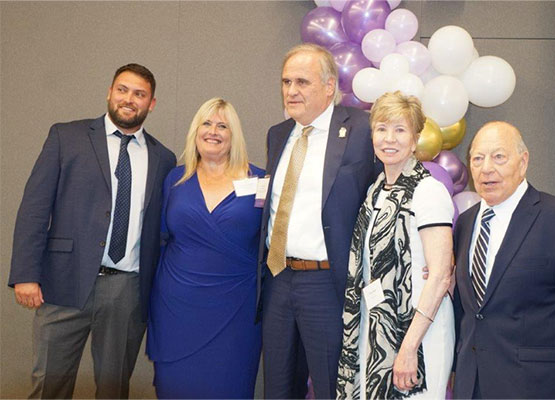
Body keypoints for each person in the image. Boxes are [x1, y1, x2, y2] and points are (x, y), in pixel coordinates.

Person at [8, 63, 176, 399]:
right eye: (122, 90)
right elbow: (34, 209)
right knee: (49, 386)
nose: (129, 99)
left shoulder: (164, 159)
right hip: (63, 283)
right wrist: (25, 274)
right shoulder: (66, 137)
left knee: (113, 389)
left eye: (139, 94)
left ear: (151, 103)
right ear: (110, 92)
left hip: (126, 291)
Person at [257, 43, 378, 399]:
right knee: (278, 387)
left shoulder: (362, 129)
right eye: (286, 82)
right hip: (278, 278)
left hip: (327, 283)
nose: (291, 91)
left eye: (302, 82)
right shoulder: (278, 134)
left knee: (330, 387)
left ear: (329, 86)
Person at [453, 121, 555, 399]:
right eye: (477, 158)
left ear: (523, 161)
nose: (486, 169)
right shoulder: (466, 223)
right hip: (472, 385)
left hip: (537, 386)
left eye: (499, 157)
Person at [337, 91, 455, 399]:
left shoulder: (428, 191)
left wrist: (408, 347)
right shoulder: (376, 191)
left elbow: (441, 275)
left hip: (417, 335)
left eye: (400, 130)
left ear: (416, 139)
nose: (389, 138)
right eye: (382, 129)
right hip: (376, 332)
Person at [147, 98, 263, 399]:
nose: (214, 131)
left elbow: (271, 242)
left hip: (236, 309)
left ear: (234, 134)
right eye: (207, 123)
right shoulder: (174, 178)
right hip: (176, 306)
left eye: (223, 125)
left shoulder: (261, 181)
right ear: (195, 130)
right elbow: (159, 238)